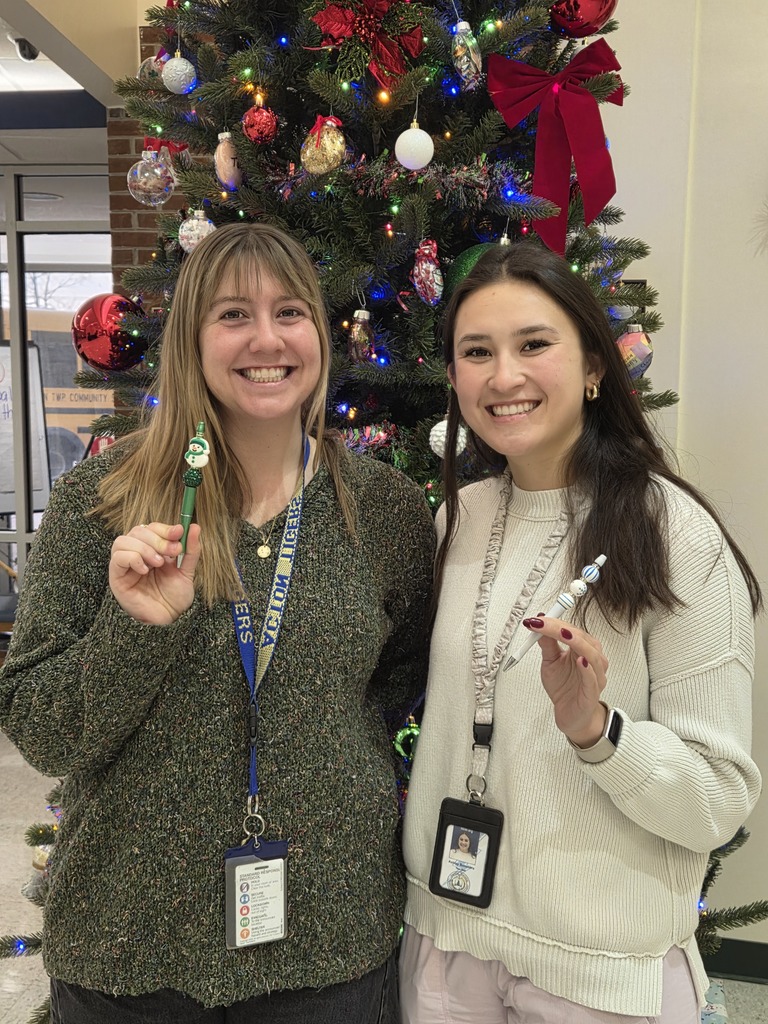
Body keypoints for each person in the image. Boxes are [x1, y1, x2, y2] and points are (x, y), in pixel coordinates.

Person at [0, 222, 435, 1023]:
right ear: (192, 340)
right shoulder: (100, 502)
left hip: (329, 944)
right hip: (128, 947)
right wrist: (136, 632)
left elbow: (400, 700)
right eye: (234, 314)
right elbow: (42, 731)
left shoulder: (386, 512)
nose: (266, 339)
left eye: (290, 312)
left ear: (319, 333)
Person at [400, 241, 762, 1024]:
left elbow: (720, 799)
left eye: (534, 345)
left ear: (594, 367)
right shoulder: (455, 521)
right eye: (476, 352)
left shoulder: (674, 536)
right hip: (444, 942)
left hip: (598, 973)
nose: (504, 376)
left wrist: (600, 732)